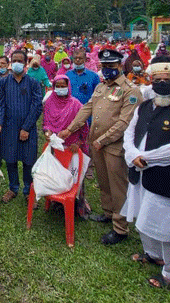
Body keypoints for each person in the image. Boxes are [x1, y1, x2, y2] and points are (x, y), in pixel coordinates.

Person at [121, 61, 170, 289]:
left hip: (169, 177)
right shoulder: (143, 107)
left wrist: (146, 159)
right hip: (140, 172)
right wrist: (133, 154)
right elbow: (130, 133)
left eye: (168, 80)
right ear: (151, 83)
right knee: (144, 216)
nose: (163, 84)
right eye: (158, 81)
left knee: (168, 226)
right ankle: (153, 254)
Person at [61, 49, 142, 245]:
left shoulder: (131, 90)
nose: (107, 70)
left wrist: (103, 139)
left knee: (118, 186)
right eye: (104, 66)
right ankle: (108, 213)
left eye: (111, 66)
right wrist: (69, 129)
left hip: (114, 145)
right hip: (96, 143)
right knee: (104, 181)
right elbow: (86, 109)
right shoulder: (101, 87)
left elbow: (124, 122)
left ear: (120, 66)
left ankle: (120, 228)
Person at [0, 50, 42, 203]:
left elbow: (37, 106)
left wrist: (26, 128)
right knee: (10, 159)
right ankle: (13, 187)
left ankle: (28, 189)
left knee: (28, 160)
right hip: (8, 128)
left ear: (25, 63)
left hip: (28, 129)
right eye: (14, 60)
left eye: (20, 61)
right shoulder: (3, 82)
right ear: (10, 63)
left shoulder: (33, 83)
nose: (17, 63)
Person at [42, 74, 90, 215]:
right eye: (58, 86)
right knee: (57, 175)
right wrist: (47, 133)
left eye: (64, 86)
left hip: (73, 147)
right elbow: (46, 123)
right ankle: (56, 202)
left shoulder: (75, 104)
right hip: (57, 147)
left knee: (74, 176)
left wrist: (79, 143)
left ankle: (76, 204)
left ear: (68, 87)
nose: (61, 89)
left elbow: (84, 125)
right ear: (54, 87)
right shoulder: (50, 102)